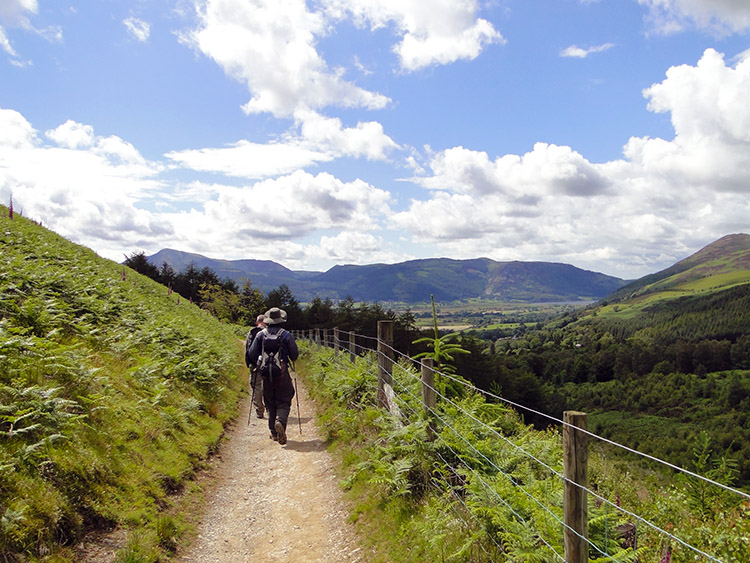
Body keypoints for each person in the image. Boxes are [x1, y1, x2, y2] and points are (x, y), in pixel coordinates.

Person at [247, 307, 299, 445]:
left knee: (270, 402)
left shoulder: (260, 335)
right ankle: (280, 422)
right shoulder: (286, 335)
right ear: (281, 320)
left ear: (268, 321)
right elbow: (294, 355)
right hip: (282, 374)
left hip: (265, 375)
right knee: (284, 399)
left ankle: (274, 433)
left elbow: (252, 354)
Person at [244, 314, 267, 418]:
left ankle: (259, 410)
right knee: (268, 386)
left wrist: (248, 362)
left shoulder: (252, 332)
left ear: (257, 322)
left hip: (254, 364)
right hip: (268, 364)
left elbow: (247, 348)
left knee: (256, 386)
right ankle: (271, 409)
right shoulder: (269, 333)